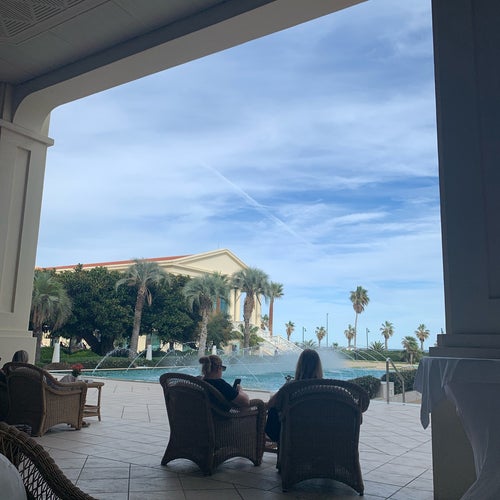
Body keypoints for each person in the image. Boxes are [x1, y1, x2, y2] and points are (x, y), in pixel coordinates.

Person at [265, 349, 323, 443]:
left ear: (299, 365)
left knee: (273, 411)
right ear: (318, 367)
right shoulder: (324, 388)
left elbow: (270, 405)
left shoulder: (290, 387)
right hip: (318, 434)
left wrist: (282, 389)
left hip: (291, 434)